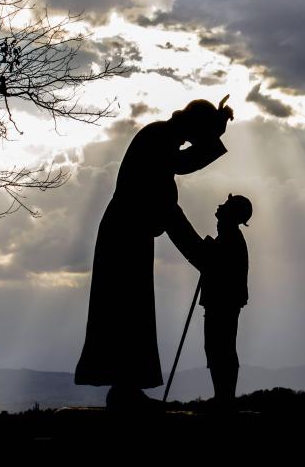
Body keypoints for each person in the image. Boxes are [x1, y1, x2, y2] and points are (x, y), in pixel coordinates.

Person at [74, 97, 234, 410]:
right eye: (201, 133)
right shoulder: (159, 139)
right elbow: (170, 207)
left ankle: (126, 388)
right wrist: (199, 254)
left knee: (132, 311)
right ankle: (124, 390)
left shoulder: (162, 138)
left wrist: (214, 136)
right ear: (193, 126)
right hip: (125, 235)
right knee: (127, 310)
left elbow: (179, 173)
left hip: (129, 234)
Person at [169, 193, 252, 411]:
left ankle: (225, 398)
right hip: (222, 301)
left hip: (223, 302)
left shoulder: (231, 239)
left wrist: (176, 222)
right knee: (218, 347)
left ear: (232, 214)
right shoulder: (228, 237)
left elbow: (208, 262)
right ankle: (223, 397)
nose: (219, 206)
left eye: (226, 205)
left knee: (221, 348)